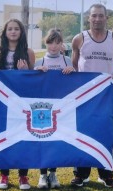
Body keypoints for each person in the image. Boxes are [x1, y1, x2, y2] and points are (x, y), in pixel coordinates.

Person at [70, 4, 113, 188]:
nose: (97, 19)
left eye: (100, 16)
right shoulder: (79, 39)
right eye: (94, 16)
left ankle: (106, 174)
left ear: (106, 18)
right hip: (85, 94)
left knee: (106, 131)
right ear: (89, 18)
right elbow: (74, 65)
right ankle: (81, 174)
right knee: (82, 131)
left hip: (107, 93)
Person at [0, 18, 35, 190]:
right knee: (5, 138)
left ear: (21, 32)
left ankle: (23, 176)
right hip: (4, 102)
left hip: (22, 102)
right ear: (5, 32)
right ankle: (4, 175)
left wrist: (25, 73)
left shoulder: (29, 52)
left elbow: (34, 79)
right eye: (10, 29)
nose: (13, 31)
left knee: (23, 137)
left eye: (16, 29)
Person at [34, 28, 74, 189]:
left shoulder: (67, 60)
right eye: (51, 42)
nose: (54, 46)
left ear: (61, 44)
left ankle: (53, 173)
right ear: (46, 43)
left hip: (61, 108)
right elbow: (30, 85)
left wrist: (73, 71)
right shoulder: (39, 62)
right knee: (43, 139)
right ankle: (42, 175)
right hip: (42, 108)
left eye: (57, 43)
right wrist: (36, 73)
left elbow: (74, 83)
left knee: (56, 139)